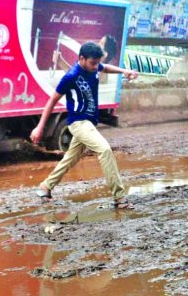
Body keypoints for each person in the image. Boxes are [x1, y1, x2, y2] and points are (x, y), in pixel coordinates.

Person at [31, 41, 139, 209]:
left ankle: (46, 187)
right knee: (104, 149)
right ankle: (119, 197)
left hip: (89, 122)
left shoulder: (93, 67)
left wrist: (125, 71)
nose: (96, 67)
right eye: (93, 63)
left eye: (97, 63)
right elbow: (52, 100)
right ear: (82, 59)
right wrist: (39, 127)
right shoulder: (71, 76)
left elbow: (106, 67)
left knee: (70, 158)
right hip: (79, 123)